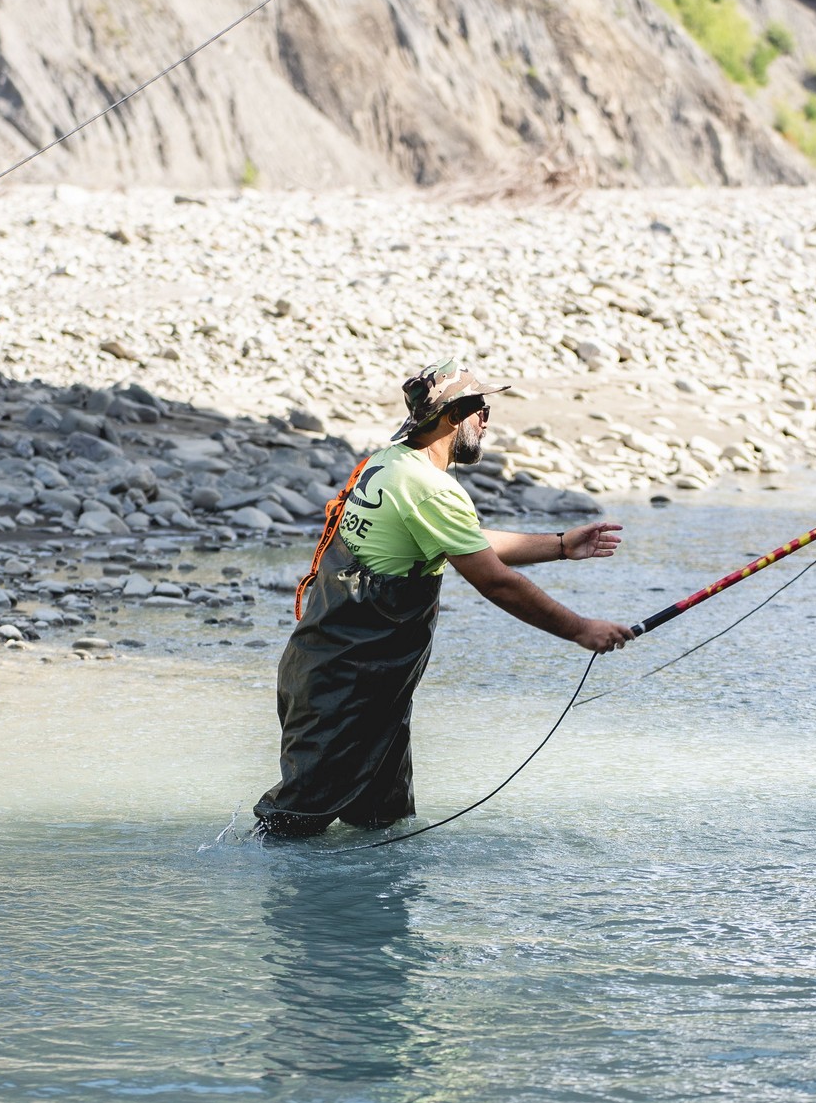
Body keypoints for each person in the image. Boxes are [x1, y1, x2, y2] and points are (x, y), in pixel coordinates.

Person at [254, 357, 632, 839]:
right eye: (482, 412)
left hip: (349, 672)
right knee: (289, 830)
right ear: (455, 417)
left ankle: (364, 914)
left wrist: (560, 545)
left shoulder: (387, 462)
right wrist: (580, 629)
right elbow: (493, 581)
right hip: (346, 685)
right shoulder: (430, 489)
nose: (486, 423)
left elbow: (460, 541)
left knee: (381, 823)